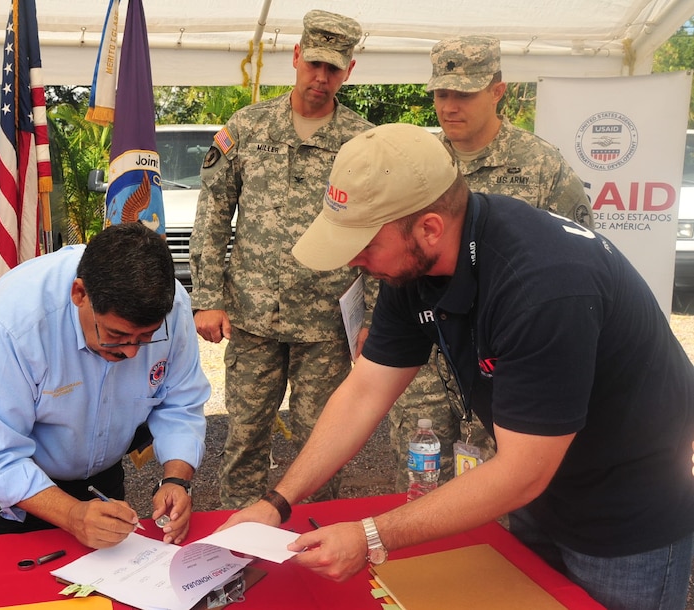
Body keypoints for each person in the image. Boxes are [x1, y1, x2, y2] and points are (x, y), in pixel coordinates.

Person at [222, 124, 694, 610]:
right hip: (541, 494)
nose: (352, 261)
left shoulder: (544, 285)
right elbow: (365, 389)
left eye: (363, 244)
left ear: (429, 226)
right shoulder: (413, 262)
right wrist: (276, 502)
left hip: (626, 512)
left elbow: (521, 471)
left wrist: (370, 535)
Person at [389, 35, 595, 490]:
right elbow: (390, 244)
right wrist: (371, 315)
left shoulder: (542, 166)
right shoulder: (418, 163)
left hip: (503, 354)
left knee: (493, 483)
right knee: (417, 475)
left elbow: (581, 258)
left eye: (464, 93)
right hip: (425, 348)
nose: (450, 106)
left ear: (498, 90)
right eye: (442, 93)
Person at [189, 9, 374, 509]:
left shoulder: (362, 142)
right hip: (254, 319)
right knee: (245, 440)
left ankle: (314, 539)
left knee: (323, 442)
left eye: (333, 68)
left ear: (349, 71)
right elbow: (212, 214)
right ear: (295, 57)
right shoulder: (247, 128)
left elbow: (376, 230)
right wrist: (206, 297)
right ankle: (237, 544)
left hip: (327, 325)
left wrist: (372, 315)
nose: (321, 77)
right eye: (313, 63)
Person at [0, 223, 210, 549]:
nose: (130, 353)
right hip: (7, 480)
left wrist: (176, 479)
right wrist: (72, 515)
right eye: (115, 335)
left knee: (102, 584)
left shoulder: (173, 308)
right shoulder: (16, 320)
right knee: (6, 585)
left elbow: (180, 403)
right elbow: (0, 457)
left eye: (146, 338)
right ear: (79, 294)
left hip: (98, 475)